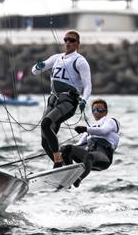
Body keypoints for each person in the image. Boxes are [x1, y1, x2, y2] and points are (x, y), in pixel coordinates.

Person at [31, 30, 92, 167]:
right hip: (53, 101)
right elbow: (35, 71)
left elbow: (88, 85)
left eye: (71, 40)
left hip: (68, 101)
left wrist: (84, 100)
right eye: (66, 40)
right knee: (44, 141)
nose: (68, 43)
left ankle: (58, 162)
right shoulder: (56, 58)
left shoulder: (80, 61)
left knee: (46, 124)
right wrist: (38, 66)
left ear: (77, 43)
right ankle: (63, 167)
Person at [61, 98, 120, 187]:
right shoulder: (91, 128)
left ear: (106, 111)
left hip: (104, 159)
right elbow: (79, 145)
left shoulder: (111, 121)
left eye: (100, 110)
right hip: (88, 158)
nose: (97, 112)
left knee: (89, 156)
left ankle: (78, 179)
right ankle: (68, 178)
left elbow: (103, 131)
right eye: (94, 110)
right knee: (67, 148)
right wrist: (61, 150)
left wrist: (85, 129)